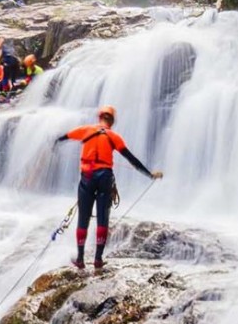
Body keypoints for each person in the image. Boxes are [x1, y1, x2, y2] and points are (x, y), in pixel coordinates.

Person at [54, 105, 162, 270]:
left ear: (100, 117)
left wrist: (56, 143)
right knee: (103, 218)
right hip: (104, 178)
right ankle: (98, 259)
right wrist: (149, 174)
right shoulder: (113, 136)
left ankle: (81, 259)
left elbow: (65, 137)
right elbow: (131, 159)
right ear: (111, 120)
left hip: (87, 178)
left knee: (83, 218)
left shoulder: (86, 130)